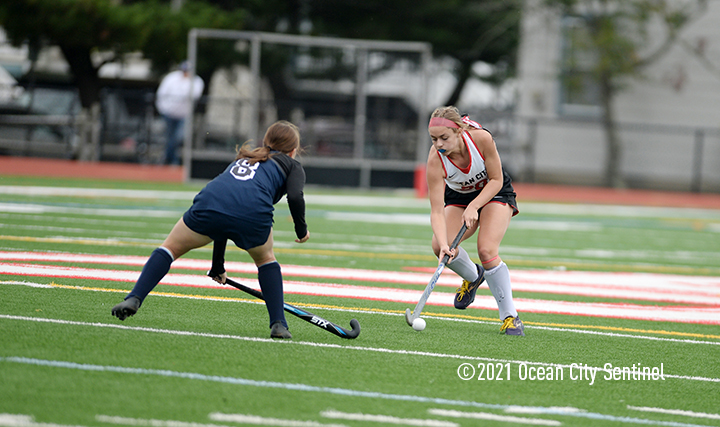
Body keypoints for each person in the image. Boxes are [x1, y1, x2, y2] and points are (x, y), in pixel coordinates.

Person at [111, 120, 310, 339]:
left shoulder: (245, 157)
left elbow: (225, 212)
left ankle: (134, 297)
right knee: (265, 260)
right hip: (252, 213)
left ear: (266, 142)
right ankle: (279, 324)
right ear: (293, 152)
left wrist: (218, 265)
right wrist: (301, 231)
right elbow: (295, 196)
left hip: (211, 201)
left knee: (170, 248)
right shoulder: (292, 165)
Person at [425, 106, 524, 336]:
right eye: (434, 139)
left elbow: (497, 179)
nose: (439, 144)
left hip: (493, 192)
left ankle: (510, 317)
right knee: (440, 245)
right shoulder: (435, 160)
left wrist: (475, 206)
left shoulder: (481, 139)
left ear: (459, 131)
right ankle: (473, 277)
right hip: (459, 198)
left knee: (487, 250)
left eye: (444, 138)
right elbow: (437, 211)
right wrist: (443, 245)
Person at [155, 61, 204, 165]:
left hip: (183, 115)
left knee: (178, 137)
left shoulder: (196, 81)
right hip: (168, 113)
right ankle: (170, 159)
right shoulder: (171, 78)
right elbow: (161, 93)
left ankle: (169, 158)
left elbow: (194, 95)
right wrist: (162, 108)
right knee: (168, 137)